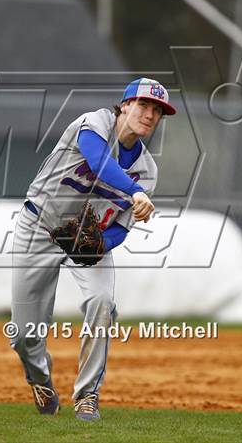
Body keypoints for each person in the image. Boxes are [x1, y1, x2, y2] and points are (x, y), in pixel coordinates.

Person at [10, 77, 176, 421]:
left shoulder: (147, 171)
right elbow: (98, 158)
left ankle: (87, 395)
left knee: (102, 303)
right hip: (40, 224)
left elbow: (121, 227)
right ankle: (39, 380)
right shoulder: (94, 122)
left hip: (86, 238)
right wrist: (134, 192)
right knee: (26, 334)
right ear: (125, 105)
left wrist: (98, 245)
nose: (149, 114)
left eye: (157, 111)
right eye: (143, 105)